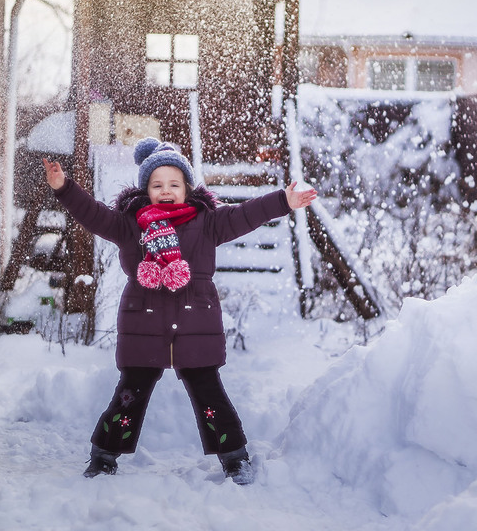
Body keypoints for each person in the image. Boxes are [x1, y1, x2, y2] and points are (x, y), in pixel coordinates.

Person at [43, 138, 317, 484]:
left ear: (187, 188)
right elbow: (94, 214)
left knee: (209, 392)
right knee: (130, 394)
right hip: (143, 325)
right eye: (157, 185)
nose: (166, 191)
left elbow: (247, 214)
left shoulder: (208, 223)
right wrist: (64, 188)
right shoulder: (130, 225)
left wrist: (284, 201)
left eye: (174, 184)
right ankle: (103, 457)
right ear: (146, 190)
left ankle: (234, 458)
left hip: (195, 323)